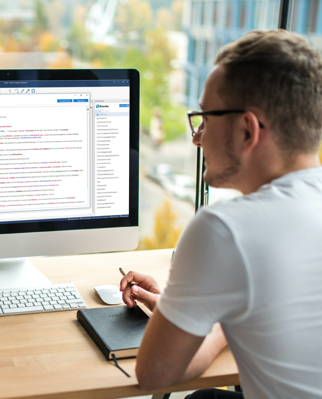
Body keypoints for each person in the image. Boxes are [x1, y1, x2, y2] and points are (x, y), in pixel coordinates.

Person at [120, 30, 322, 398]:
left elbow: (154, 375)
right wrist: (198, 304)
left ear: (247, 130)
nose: (196, 137)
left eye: (205, 119)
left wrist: (209, 312)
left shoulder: (225, 229)